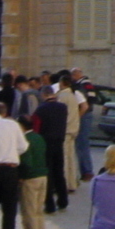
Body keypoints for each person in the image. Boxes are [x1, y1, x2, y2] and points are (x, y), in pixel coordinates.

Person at [17, 115, 50, 229]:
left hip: (30, 178)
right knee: (38, 212)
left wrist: (20, 176)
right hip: (43, 176)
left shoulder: (25, 140)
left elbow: (26, 162)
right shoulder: (39, 137)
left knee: (29, 213)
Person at [35, 82, 70, 213]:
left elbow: (37, 129)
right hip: (59, 141)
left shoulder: (41, 109)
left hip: (46, 143)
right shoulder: (62, 107)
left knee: (48, 174)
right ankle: (63, 200)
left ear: (44, 95)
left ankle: (49, 204)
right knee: (59, 172)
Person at [55, 75, 83, 196]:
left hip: (65, 130)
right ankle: (72, 182)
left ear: (62, 83)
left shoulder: (62, 97)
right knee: (71, 157)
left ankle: (64, 183)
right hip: (73, 129)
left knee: (64, 158)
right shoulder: (73, 96)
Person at [70, 68, 95, 183]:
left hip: (84, 115)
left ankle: (87, 171)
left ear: (77, 75)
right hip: (86, 114)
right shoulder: (86, 84)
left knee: (82, 144)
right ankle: (86, 171)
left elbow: (88, 102)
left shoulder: (84, 85)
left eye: (72, 75)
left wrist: (78, 116)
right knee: (82, 144)